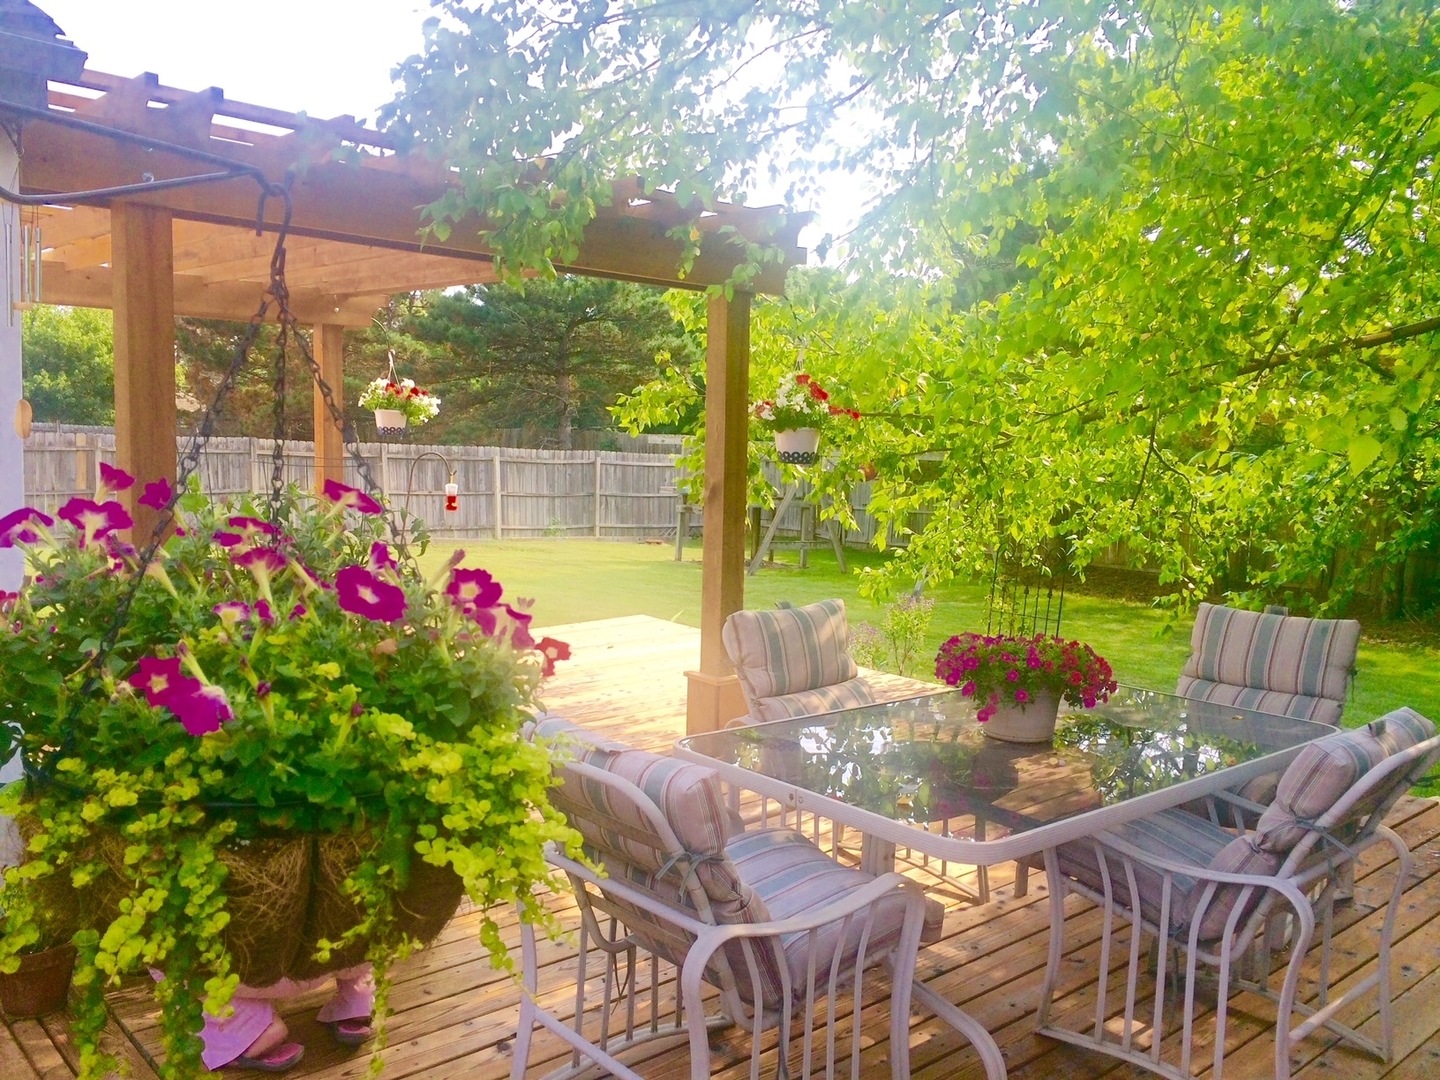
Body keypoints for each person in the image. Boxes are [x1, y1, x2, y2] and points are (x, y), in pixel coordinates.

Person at [163, 964, 374, 1073]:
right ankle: (357, 999)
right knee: (358, 900)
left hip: (249, 968)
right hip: (333, 954)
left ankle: (244, 1028)